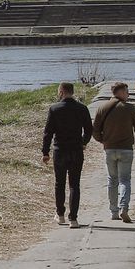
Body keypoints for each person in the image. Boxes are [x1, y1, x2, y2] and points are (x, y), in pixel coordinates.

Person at [92, 81, 135, 223]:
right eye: (127, 92)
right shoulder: (129, 108)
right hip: (126, 150)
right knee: (125, 180)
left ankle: (114, 212)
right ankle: (124, 209)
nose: (128, 95)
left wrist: (102, 140)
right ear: (120, 92)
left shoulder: (102, 108)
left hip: (109, 150)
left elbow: (95, 129)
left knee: (112, 180)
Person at [41, 82, 92, 228]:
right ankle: (73, 218)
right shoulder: (82, 108)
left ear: (62, 92)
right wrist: (84, 142)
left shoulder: (54, 109)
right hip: (76, 149)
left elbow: (48, 132)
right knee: (74, 184)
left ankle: (61, 215)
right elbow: (89, 129)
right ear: (72, 92)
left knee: (60, 183)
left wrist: (45, 152)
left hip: (60, 150)